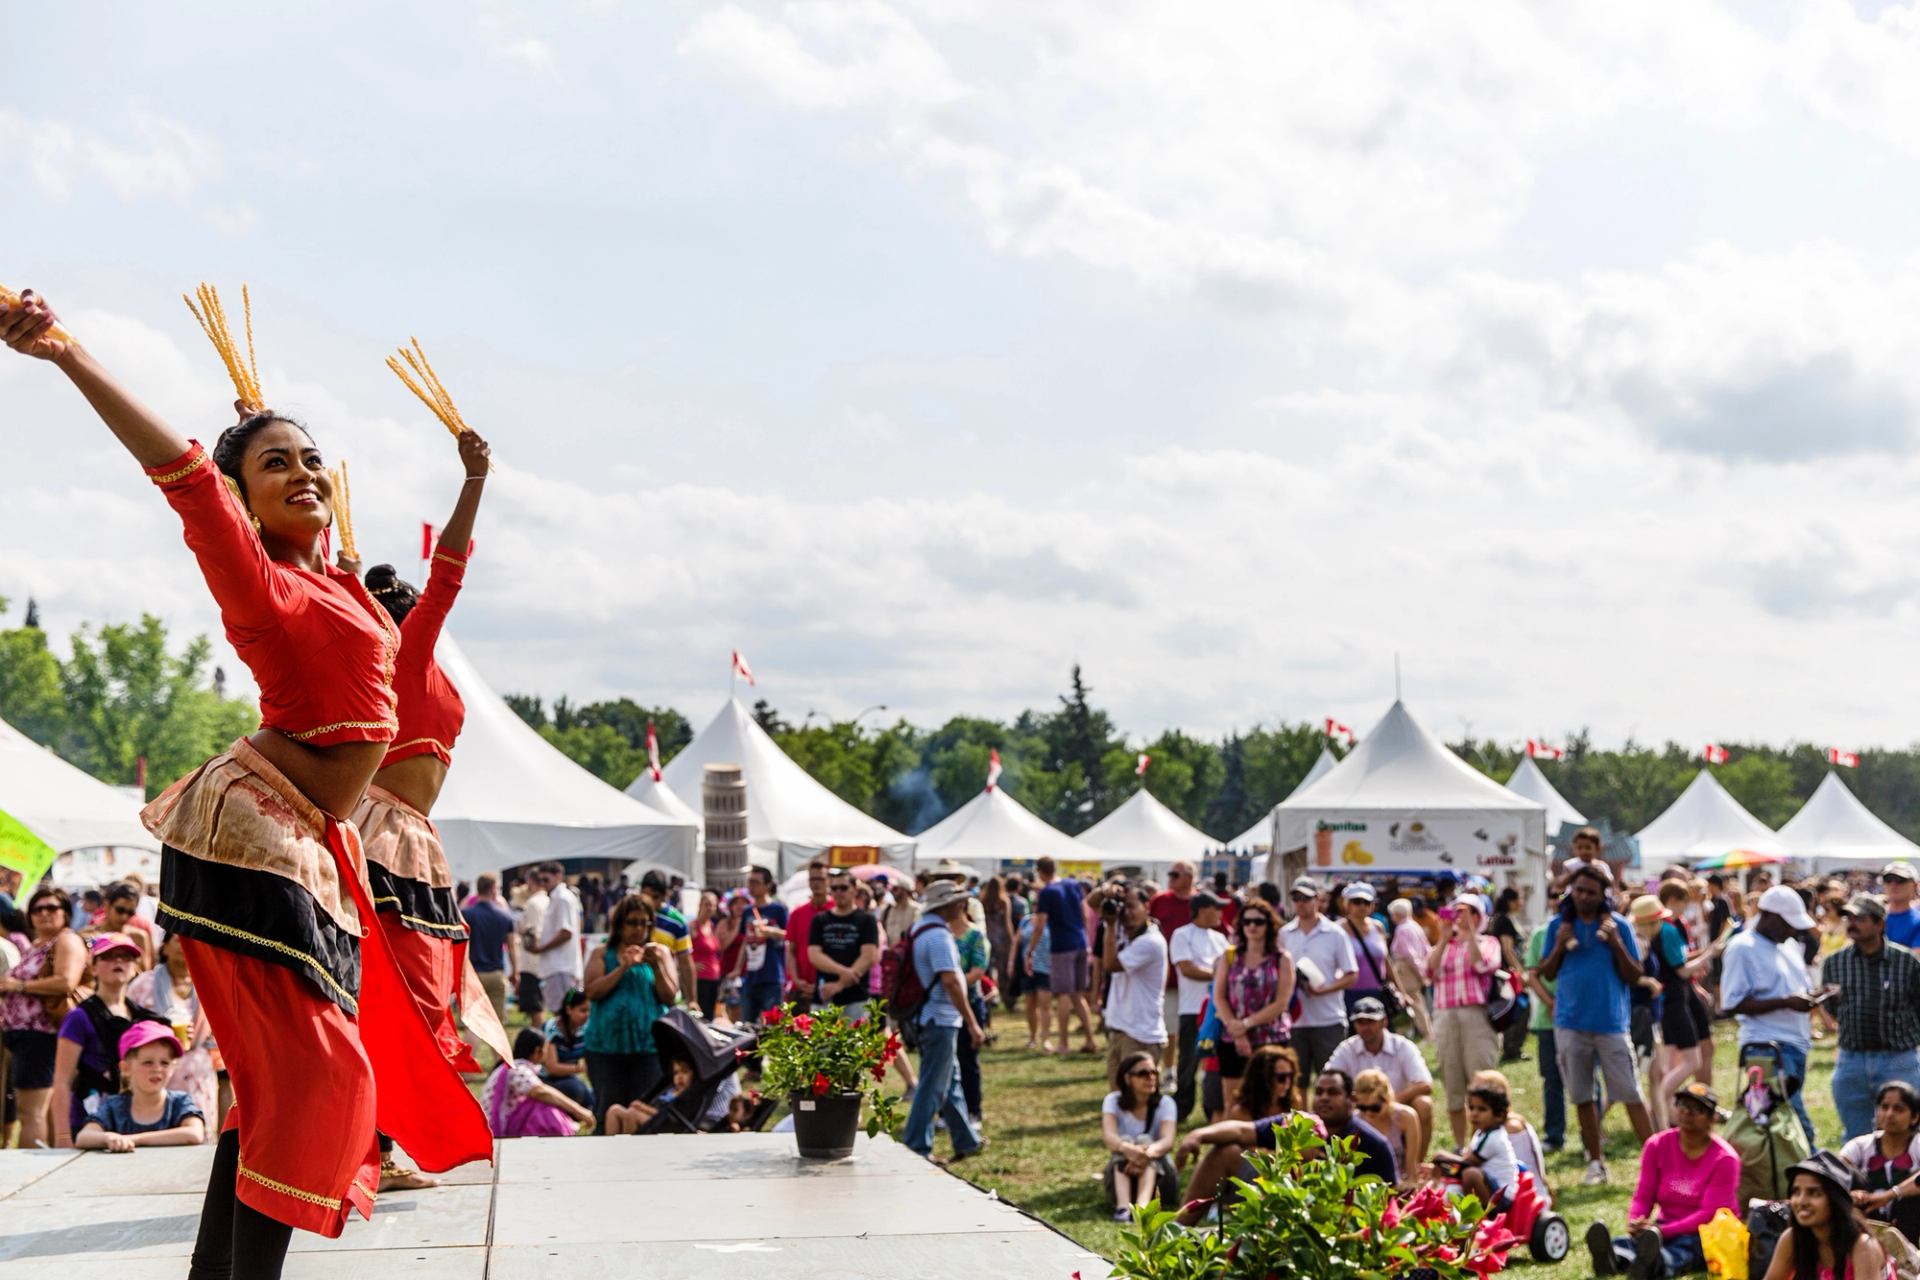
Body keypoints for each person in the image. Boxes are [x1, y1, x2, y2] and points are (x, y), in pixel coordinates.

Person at [1, 288, 492, 1272]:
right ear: (243, 500)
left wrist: (266, 434)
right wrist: (66, 351)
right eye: (279, 466)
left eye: (313, 458)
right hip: (253, 830)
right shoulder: (257, 578)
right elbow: (184, 474)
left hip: (309, 836)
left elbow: (415, 581)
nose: (305, 473)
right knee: (318, 1083)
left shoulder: (340, 584)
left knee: (279, 1092)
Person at [1541, 863, 1655, 1184]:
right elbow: (1547, 972)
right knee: (1582, 1096)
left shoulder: (1618, 926)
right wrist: (1561, 945)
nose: (1584, 897)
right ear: (1570, 892)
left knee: (1630, 1092)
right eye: (1578, 891)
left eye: (1591, 892)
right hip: (1570, 1023)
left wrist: (1616, 942)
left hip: (1611, 1024)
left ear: (1603, 894)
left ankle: (1656, 1161)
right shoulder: (1558, 926)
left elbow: (1634, 975)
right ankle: (1595, 1163)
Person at [1584, 1081, 1741, 1280]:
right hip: (1664, 1226)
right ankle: (1614, 1258)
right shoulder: (1657, 1145)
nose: (1687, 1113)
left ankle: (1655, 1263)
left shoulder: (1725, 1159)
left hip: (1708, 1233)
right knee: (1630, 1242)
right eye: (1683, 1105)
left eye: (1697, 1109)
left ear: (1712, 1118)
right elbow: (1644, 1194)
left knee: (1685, 1250)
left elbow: (1708, 1214)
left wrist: (1662, 1231)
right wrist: (1637, 1221)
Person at [1721, 884, 1822, 1149]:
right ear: (1768, 915)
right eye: (1788, 924)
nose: (1793, 930)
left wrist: (1815, 996)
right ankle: (1806, 1181)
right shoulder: (1742, 948)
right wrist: (1786, 1002)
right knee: (1794, 1128)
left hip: (1794, 1045)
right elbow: (1731, 1003)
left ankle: (1775, 1181)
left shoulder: (1788, 945)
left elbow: (1795, 988)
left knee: (1773, 1125)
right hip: (1765, 1049)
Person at [1822, 893, 1920, 1142]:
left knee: (1906, 1134)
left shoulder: (1906, 962)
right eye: (1848, 918)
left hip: (1898, 1059)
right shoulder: (1835, 963)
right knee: (1857, 1137)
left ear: (1879, 924)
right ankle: (1862, 1182)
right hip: (1852, 1059)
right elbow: (1833, 1007)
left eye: (1860, 918)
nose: (1851, 923)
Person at [902, 881, 987, 1162]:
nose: (963, 905)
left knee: (949, 1082)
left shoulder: (921, 927)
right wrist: (973, 1023)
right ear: (946, 905)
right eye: (959, 900)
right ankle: (917, 1147)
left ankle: (966, 1139)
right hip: (939, 1017)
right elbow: (950, 981)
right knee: (932, 1086)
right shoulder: (938, 936)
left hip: (928, 1015)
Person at [51, 932, 162, 1148]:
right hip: (88, 1121)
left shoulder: (142, 1016)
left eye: (126, 956)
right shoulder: (79, 1017)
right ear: (92, 967)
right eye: (108, 956)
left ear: (135, 967)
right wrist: (62, 1137)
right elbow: (62, 1080)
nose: (118, 961)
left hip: (130, 1120)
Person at [1173, 1044, 1304, 1223]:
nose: (1287, 1083)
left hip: (1287, 1178)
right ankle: (1183, 1222)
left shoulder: (1294, 1104)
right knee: (1227, 1151)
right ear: (1263, 1079)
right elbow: (1245, 1147)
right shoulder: (1243, 1110)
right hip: (1257, 1177)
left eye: (1290, 1076)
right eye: (1281, 1077)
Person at [0, 884, 87, 1149]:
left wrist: (19, 986)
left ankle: (31, 1170)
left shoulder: (67, 940)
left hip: (41, 1035)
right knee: (39, 1110)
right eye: (37, 908)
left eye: (52, 907)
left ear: (65, 912)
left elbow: (65, 982)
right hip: (25, 1037)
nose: (44, 913)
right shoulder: (40, 943)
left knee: (31, 1112)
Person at [580, 895, 678, 1128]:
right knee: (609, 1111)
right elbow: (592, 991)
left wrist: (656, 966)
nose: (639, 929)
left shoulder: (660, 953)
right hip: (606, 1048)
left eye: (645, 923)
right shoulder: (602, 953)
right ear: (620, 924)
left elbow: (670, 996)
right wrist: (623, 967)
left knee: (644, 1112)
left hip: (648, 1047)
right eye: (633, 922)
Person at [1427, 893, 1504, 1148]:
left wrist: (1470, 935)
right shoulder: (1445, 944)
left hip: (1475, 1015)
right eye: (1457, 911)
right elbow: (1429, 971)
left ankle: (1481, 1142)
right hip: (1446, 1016)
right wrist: (1444, 937)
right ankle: (1461, 1145)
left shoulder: (1488, 941)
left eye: (1468, 911)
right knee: (1452, 1080)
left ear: (1479, 916)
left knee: (1480, 1076)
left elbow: (1481, 964)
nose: (1461, 917)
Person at [1326, 995, 1434, 1160]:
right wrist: (1362, 1105)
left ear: (1384, 1022)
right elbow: (1327, 1079)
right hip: (1360, 1111)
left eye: (1370, 1022)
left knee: (1424, 1104)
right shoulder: (1347, 1048)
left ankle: (1416, 1165)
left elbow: (1425, 1084)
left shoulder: (1403, 1046)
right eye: (1361, 1022)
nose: (1365, 1027)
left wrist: (1389, 1103)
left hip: (1397, 1110)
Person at [1212, 896, 1296, 1104]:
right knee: (1233, 1100)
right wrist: (1237, 1031)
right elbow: (1219, 996)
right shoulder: (1230, 956)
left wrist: (1246, 1024)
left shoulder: (1282, 959)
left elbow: (1281, 1003)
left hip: (1271, 1037)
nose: (1252, 926)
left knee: (1271, 1099)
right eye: (1247, 921)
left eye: (1258, 922)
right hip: (1232, 1037)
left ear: (1269, 925)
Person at [74, 1023, 208, 1152]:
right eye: (147, 1062)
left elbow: (194, 1133)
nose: (157, 1069)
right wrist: (108, 1138)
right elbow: (83, 1137)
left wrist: (132, 1140)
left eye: (165, 1063)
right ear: (125, 1068)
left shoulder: (180, 1102)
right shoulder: (114, 1106)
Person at [1758, 1152, 1889, 1280]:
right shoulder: (1792, 1238)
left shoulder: (1863, 1247)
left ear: (1835, 1200)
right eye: (1796, 1192)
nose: (1801, 1201)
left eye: (1814, 1193)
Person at [1280, 876, 1357, 1081]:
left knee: (1333, 1080)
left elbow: (1351, 974)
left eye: (1305, 898)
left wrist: (1326, 989)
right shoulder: (1284, 934)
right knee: (1296, 1083)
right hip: (1294, 1020)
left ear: (1317, 899)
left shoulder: (1335, 933)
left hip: (1328, 1017)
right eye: (1296, 898)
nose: (1301, 903)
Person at [1028, 856, 1098, 1056]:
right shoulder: (1072, 884)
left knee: (1064, 994)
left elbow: (1040, 925)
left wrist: (1030, 950)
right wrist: (1085, 938)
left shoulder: (1047, 892)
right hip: (1080, 943)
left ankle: (1064, 1043)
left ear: (1040, 871)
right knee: (1077, 993)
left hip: (1062, 946)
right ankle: (1090, 1039)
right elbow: (1084, 913)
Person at [1169, 892, 1229, 1122]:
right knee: (1188, 1061)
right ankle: (1182, 1106)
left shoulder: (1220, 938)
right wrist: (1218, 974)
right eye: (1217, 908)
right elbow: (1186, 968)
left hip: (1218, 1009)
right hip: (1193, 1008)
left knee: (1216, 1062)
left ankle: (1213, 1107)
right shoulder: (1182, 935)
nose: (1220, 913)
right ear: (1203, 910)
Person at [1103, 885, 1171, 1085]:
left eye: (1132, 906)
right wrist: (1106, 892)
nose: (1126, 913)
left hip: (1141, 1035)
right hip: (1123, 1029)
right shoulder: (1129, 934)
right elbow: (1092, 902)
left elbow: (1110, 964)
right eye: (1123, 907)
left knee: (1136, 1104)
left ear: (1147, 907)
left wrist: (1110, 925)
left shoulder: (1151, 941)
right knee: (1118, 1100)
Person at [1102, 1050, 1180, 1221]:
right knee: (1125, 1142)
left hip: (1161, 1181)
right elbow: (1109, 1136)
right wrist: (1129, 1150)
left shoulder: (1166, 1103)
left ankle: (1141, 1208)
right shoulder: (1113, 1101)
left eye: (1154, 1072)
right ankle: (1123, 1208)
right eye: (1143, 1073)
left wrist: (1144, 1154)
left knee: (1145, 1141)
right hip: (1123, 1175)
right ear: (1127, 1078)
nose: (1150, 1077)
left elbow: (1167, 1141)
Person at [1841, 1082, 1920, 1242]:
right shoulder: (1859, 1146)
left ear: (1915, 1117)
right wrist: (1851, 1194)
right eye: (1884, 1107)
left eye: (1899, 1109)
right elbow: (1833, 1172)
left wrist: (1889, 1195)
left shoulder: (1917, 1145)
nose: (1889, 1114)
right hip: (1866, 1218)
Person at [485, 1028, 594, 1139]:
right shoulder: (517, 1070)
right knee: (544, 1107)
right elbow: (541, 1092)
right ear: (538, 1051)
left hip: (502, 1123)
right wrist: (578, 1111)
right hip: (495, 1128)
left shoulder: (512, 1067)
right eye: (546, 1049)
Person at [1427, 1081, 1517, 1207]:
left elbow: (1468, 1163)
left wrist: (1441, 1157)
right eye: (1471, 1107)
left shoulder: (1495, 1138)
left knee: (1470, 1174)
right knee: (1459, 1174)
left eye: (1482, 1109)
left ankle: (1481, 1212)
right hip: (1488, 1184)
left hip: (1501, 1196)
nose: (1474, 1113)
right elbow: (1465, 1158)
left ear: (1499, 1116)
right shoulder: (1481, 1132)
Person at [809, 869, 880, 1017]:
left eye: (843, 887)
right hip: (824, 995)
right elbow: (814, 955)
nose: (838, 892)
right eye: (834, 888)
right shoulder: (820, 920)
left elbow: (868, 956)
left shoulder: (867, 920)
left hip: (856, 997)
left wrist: (839, 985)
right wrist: (844, 972)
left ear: (854, 890)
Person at [1312, 1067, 1399, 1183]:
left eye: (1333, 1092)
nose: (1324, 1098)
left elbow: (1389, 1195)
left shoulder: (1375, 1147)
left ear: (1352, 1099)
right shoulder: (1298, 1135)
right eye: (1319, 1092)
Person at [1150, 861, 1199, 1065]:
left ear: (1189, 877)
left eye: (1175, 874)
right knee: (1169, 1027)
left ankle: (1198, 1068)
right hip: (1168, 976)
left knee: (1196, 1026)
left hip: (1196, 978)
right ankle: (1169, 1069)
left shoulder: (1201, 902)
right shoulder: (1160, 900)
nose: (1170, 878)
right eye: (1169, 874)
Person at [461, 873, 519, 1035]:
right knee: (496, 1025)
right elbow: (513, 946)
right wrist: (516, 971)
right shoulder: (505, 916)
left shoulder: (466, 914)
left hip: (473, 974)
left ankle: (470, 1059)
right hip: (496, 973)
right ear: (493, 889)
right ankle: (500, 1060)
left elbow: (461, 945)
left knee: (472, 1023)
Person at [636, 869, 697, 1006]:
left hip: (664, 987)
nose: (650, 901)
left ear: (665, 895)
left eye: (655, 896)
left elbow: (685, 962)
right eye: (646, 895)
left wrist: (692, 999)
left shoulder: (677, 922)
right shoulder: (633, 916)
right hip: (636, 985)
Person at [738, 866, 790, 1027]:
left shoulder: (778, 909)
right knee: (747, 1028)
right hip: (751, 977)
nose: (751, 886)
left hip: (772, 976)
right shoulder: (747, 911)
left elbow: (790, 935)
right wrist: (737, 969)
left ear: (768, 885)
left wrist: (771, 932)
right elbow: (745, 942)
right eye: (749, 882)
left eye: (756, 882)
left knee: (774, 1027)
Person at [530, 864, 584, 1015]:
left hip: (560, 966)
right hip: (557, 966)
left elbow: (566, 932)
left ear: (558, 875)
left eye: (546, 879)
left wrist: (541, 948)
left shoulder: (562, 898)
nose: (542, 883)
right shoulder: (555, 898)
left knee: (563, 1013)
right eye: (540, 880)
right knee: (561, 1013)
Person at [1354, 1068, 1422, 1186]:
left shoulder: (1406, 1118)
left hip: (1398, 1183)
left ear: (1387, 1099)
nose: (1368, 1114)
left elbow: (1411, 1171)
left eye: (1375, 1108)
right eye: (1362, 1108)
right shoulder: (1355, 1121)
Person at [1340, 883, 1395, 1021]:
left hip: (1377, 992)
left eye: (1366, 902)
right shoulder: (1337, 930)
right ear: (1347, 904)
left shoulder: (1378, 927)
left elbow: (1387, 962)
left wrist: (1402, 991)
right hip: (1347, 993)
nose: (1362, 906)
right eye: (1356, 902)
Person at [539, 988, 593, 1112]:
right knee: (575, 1090)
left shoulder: (584, 1029)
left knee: (593, 1100)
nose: (587, 1015)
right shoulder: (552, 1029)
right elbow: (552, 1068)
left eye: (589, 1010)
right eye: (583, 1010)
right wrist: (579, 1068)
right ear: (569, 1009)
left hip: (569, 1078)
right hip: (547, 1080)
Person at [786, 861, 831, 1006]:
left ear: (828, 881)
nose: (816, 883)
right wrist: (796, 980)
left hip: (829, 988)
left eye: (820, 879)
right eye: (813, 879)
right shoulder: (798, 913)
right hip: (801, 988)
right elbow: (791, 950)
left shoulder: (837, 911)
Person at [1388, 896, 1433, 1040]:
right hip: (1415, 967)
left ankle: (1425, 1033)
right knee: (1417, 1000)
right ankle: (1422, 1031)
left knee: (1412, 1000)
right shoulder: (1415, 926)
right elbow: (1427, 949)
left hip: (1406, 969)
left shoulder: (1402, 929)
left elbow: (1409, 954)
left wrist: (1419, 972)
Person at [516, 869, 550, 1023]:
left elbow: (534, 931)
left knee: (534, 1005)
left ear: (530, 881)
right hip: (541, 959)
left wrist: (522, 931)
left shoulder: (534, 903)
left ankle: (540, 1037)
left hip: (531, 962)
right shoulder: (548, 900)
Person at [1017, 908, 1053, 1051]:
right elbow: (1016, 942)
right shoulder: (1025, 921)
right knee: (1030, 1005)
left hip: (1047, 968)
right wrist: (1011, 962)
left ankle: (1045, 1039)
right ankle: (1032, 1037)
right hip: (1028, 968)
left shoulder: (1052, 922)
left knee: (1045, 1005)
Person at [690, 890, 724, 1020]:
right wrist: (691, 965)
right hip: (699, 979)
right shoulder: (693, 926)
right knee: (699, 1016)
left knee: (710, 1016)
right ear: (700, 905)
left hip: (714, 979)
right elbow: (680, 952)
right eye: (707, 904)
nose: (710, 908)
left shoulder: (712, 926)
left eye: (713, 905)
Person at [1882, 863, 1920, 951]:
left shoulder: (1917, 921)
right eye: (1888, 880)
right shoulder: (1871, 916)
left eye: (1900, 880)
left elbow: (1915, 959)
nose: (1893, 885)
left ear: (1915, 885)